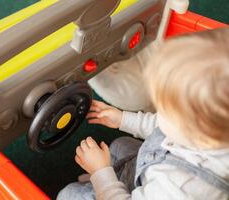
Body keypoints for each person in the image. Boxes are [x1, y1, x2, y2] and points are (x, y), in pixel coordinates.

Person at [57, 28, 229, 200]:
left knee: (68, 194)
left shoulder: (179, 189)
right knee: (119, 144)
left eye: (164, 111)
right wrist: (122, 119)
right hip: (154, 163)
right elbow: (159, 125)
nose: (159, 114)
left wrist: (100, 173)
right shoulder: (210, 133)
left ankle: (102, 181)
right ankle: (109, 174)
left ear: (197, 135)